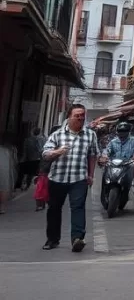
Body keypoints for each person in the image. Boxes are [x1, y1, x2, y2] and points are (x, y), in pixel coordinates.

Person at [41, 103, 99, 252]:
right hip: (57, 178)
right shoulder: (57, 135)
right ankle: (52, 239)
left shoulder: (90, 134)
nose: (80, 118)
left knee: (78, 207)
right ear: (69, 117)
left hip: (79, 178)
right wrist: (58, 152)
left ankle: (77, 238)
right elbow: (45, 154)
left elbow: (93, 155)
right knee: (54, 209)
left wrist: (91, 175)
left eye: (82, 115)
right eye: (77, 115)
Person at [21, 126, 45, 191]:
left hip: (29, 158)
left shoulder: (28, 140)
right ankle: (27, 186)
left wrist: (23, 158)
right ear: (40, 132)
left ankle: (23, 185)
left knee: (27, 173)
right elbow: (42, 150)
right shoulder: (43, 140)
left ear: (33, 132)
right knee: (32, 174)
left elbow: (25, 150)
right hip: (37, 159)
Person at [0, 132, 17, 215]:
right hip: (5, 169)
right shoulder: (8, 151)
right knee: (4, 187)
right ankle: (2, 207)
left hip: (5, 168)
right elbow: (12, 164)